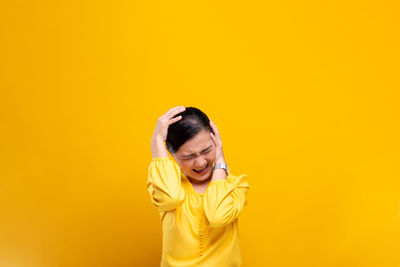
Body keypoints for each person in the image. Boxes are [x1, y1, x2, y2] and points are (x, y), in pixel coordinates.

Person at [147, 106, 250, 267]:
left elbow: (218, 215)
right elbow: (170, 198)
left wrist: (220, 163)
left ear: (216, 142)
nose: (200, 162)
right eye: (188, 156)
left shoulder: (235, 185)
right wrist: (157, 140)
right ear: (171, 154)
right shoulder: (167, 183)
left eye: (206, 150)